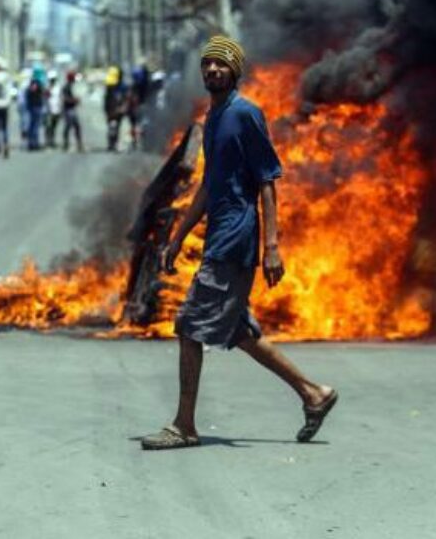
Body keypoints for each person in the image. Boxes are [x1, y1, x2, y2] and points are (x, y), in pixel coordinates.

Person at [140, 36, 337, 451]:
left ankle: (183, 426)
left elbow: (267, 181)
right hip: (219, 236)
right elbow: (209, 188)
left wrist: (272, 245)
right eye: (208, 65)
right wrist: (177, 239)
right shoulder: (213, 118)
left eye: (221, 65)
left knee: (190, 326)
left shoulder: (246, 115)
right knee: (240, 333)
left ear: (235, 71)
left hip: (236, 238)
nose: (213, 70)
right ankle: (313, 394)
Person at [103, 66, 128, 151]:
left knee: (116, 127)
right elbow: (107, 100)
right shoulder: (110, 85)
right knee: (112, 127)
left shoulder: (122, 86)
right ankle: (111, 144)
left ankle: (114, 144)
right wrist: (107, 111)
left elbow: (125, 98)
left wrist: (122, 108)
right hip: (111, 110)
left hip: (117, 110)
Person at [61, 71, 83, 152]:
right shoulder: (66, 87)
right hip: (68, 109)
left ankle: (78, 143)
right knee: (68, 126)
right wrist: (75, 100)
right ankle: (66, 143)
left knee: (76, 127)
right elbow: (65, 99)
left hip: (72, 109)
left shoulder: (72, 86)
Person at [25, 77, 45, 151]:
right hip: (35, 108)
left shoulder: (31, 88)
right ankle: (34, 143)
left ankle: (32, 143)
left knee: (33, 126)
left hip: (33, 108)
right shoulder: (36, 87)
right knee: (35, 126)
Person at [46, 73, 62, 148]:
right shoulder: (48, 88)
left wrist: (61, 109)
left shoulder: (58, 88)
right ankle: (48, 141)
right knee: (48, 126)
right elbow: (45, 97)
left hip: (56, 110)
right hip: (49, 110)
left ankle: (52, 141)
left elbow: (60, 99)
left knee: (54, 127)